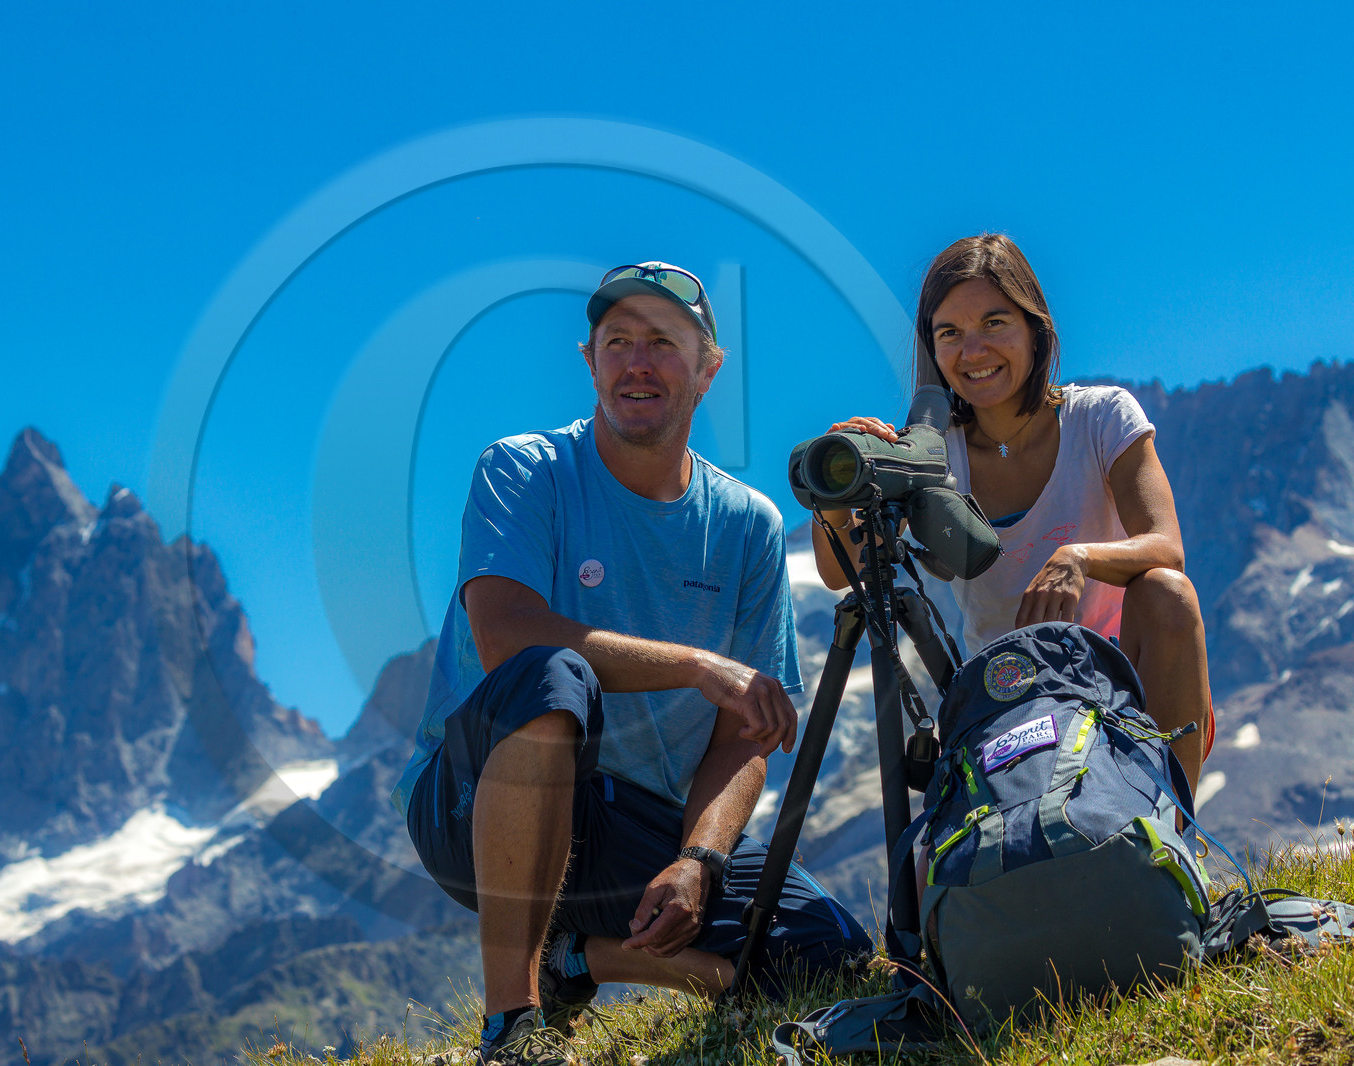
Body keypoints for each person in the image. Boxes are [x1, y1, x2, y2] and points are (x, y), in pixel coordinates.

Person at [393, 262, 871, 1065]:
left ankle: (578, 958)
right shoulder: (524, 469)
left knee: (829, 956)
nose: (637, 363)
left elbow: (744, 735)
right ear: (589, 360)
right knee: (554, 676)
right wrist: (696, 665)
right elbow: (508, 636)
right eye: (618, 343)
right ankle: (514, 1027)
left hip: (632, 825)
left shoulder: (746, 527)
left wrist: (697, 859)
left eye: (662, 343)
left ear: (708, 369)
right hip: (473, 804)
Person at [811, 234, 1213, 789]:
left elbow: (1167, 547)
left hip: (1124, 675)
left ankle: (1178, 843)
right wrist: (838, 500)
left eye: (994, 323)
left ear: (1035, 328)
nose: (972, 352)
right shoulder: (932, 451)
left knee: (1168, 593)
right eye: (949, 333)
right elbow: (841, 573)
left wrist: (1079, 558)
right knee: (946, 868)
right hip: (1005, 691)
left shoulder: (1102, 418)